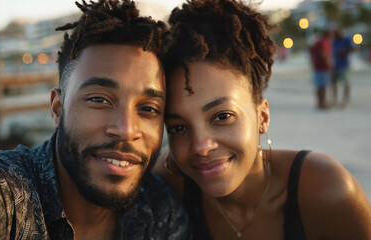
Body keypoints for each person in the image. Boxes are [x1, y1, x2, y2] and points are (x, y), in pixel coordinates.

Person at [0, 1, 190, 239]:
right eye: (99, 100)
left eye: (148, 108)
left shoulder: (162, 212)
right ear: (57, 109)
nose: (126, 129)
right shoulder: (4, 193)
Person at [154, 0, 371, 239]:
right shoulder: (166, 186)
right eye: (178, 128)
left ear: (263, 116)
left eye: (222, 116)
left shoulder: (326, 191)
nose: (201, 146)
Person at [309, 30, 333, 109]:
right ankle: (323, 103)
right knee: (323, 86)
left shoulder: (317, 42)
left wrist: (313, 62)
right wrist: (328, 65)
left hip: (317, 67)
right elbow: (324, 54)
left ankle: (319, 103)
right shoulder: (324, 42)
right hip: (323, 67)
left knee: (319, 86)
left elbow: (310, 51)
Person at [332, 28, 353, 108]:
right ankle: (335, 99)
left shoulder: (346, 40)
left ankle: (345, 100)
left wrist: (344, 51)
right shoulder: (334, 41)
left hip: (344, 65)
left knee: (345, 83)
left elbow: (352, 48)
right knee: (333, 83)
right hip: (335, 65)